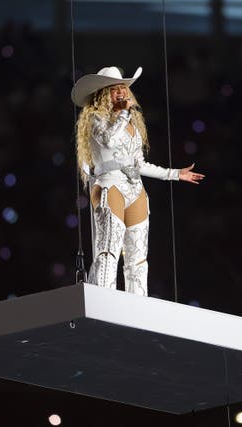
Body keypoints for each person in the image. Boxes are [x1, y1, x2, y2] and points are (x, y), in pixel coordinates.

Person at [71, 66, 204, 296]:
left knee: (137, 258)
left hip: (135, 189)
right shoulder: (95, 119)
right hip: (109, 185)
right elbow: (109, 141)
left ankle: (136, 308)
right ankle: (103, 303)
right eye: (114, 89)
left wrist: (175, 174)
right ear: (103, 94)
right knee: (108, 252)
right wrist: (123, 114)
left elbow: (139, 164)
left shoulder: (132, 124)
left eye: (123, 88)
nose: (121, 92)